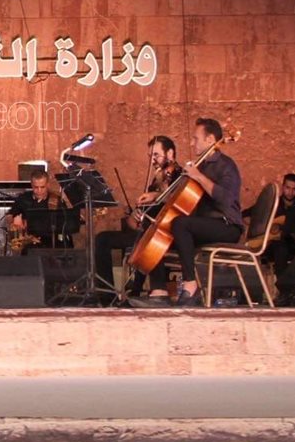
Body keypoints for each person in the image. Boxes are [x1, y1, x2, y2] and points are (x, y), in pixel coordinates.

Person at [133, 118, 242, 307]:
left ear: (210, 140)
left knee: (180, 223)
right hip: (203, 225)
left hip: (226, 225)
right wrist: (156, 196)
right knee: (157, 230)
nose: (192, 143)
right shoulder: (200, 165)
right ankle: (159, 291)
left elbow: (226, 198)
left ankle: (191, 285)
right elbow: (183, 196)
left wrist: (198, 176)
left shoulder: (226, 165)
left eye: (195, 138)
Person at [94, 135, 179, 298]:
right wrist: (135, 215)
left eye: (156, 155)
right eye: (150, 156)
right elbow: (133, 224)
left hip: (164, 236)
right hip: (145, 232)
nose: (152, 160)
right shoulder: (156, 180)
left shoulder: (179, 175)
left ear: (169, 153)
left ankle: (137, 290)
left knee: (145, 238)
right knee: (102, 239)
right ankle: (106, 296)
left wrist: (157, 195)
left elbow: (177, 199)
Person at [7, 169, 82, 250]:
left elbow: (66, 224)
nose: (39, 190)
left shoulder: (56, 200)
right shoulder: (23, 198)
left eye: (42, 187)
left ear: (47, 184)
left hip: (51, 244)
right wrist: (14, 221)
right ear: (31, 185)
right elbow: (9, 216)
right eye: (36, 187)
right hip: (29, 244)